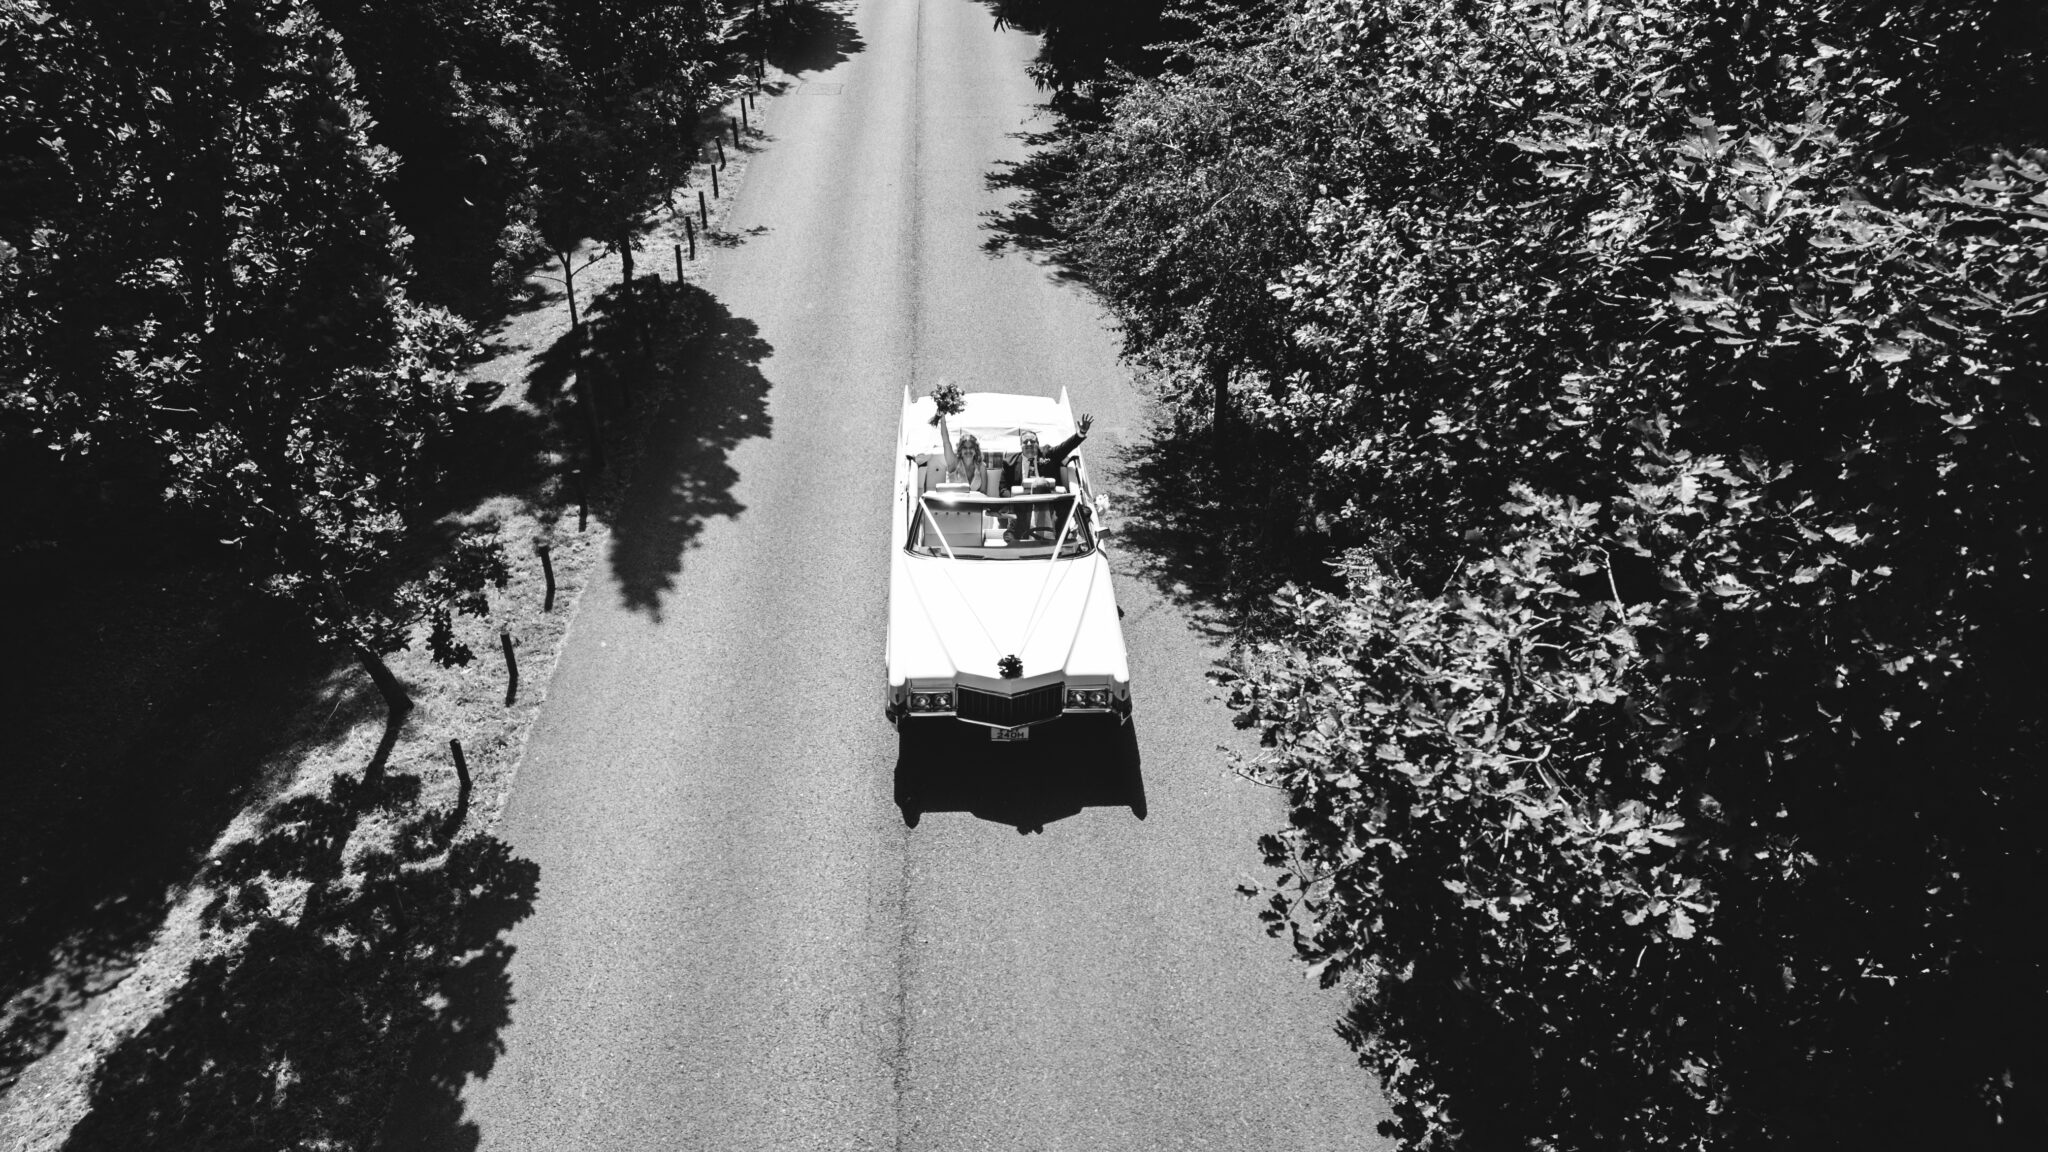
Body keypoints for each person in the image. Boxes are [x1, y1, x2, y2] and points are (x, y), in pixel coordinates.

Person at [1005, 412, 1093, 490]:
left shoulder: (1048, 454)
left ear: (1038, 444)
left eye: (1032, 441)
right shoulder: (1009, 463)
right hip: (1021, 504)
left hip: (1049, 502)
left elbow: (1066, 447)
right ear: (1021, 445)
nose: (1029, 444)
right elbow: (1003, 489)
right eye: (1025, 442)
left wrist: (1081, 432)